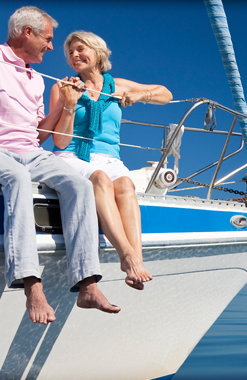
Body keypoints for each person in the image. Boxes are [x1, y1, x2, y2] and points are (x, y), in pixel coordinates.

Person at [0, 6, 120, 325]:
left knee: (80, 185)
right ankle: (32, 285)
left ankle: (87, 285)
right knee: (17, 178)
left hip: (30, 151)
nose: (52, 47)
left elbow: (39, 135)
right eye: (49, 39)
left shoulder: (36, 79)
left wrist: (68, 103)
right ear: (27, 32)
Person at [42, 31, 171, 290]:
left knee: (125, 185)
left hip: (110, 157)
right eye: (70, 52)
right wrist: (70, 103)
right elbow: (59, 142)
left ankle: (137, 261)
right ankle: (128, 256)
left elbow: (165, 94)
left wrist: (140, 96)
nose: (74, 55)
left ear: (98, 53)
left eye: (80, 49)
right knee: (100, 180)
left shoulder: (118, 85)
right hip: (73, 155)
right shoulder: (63, 86)